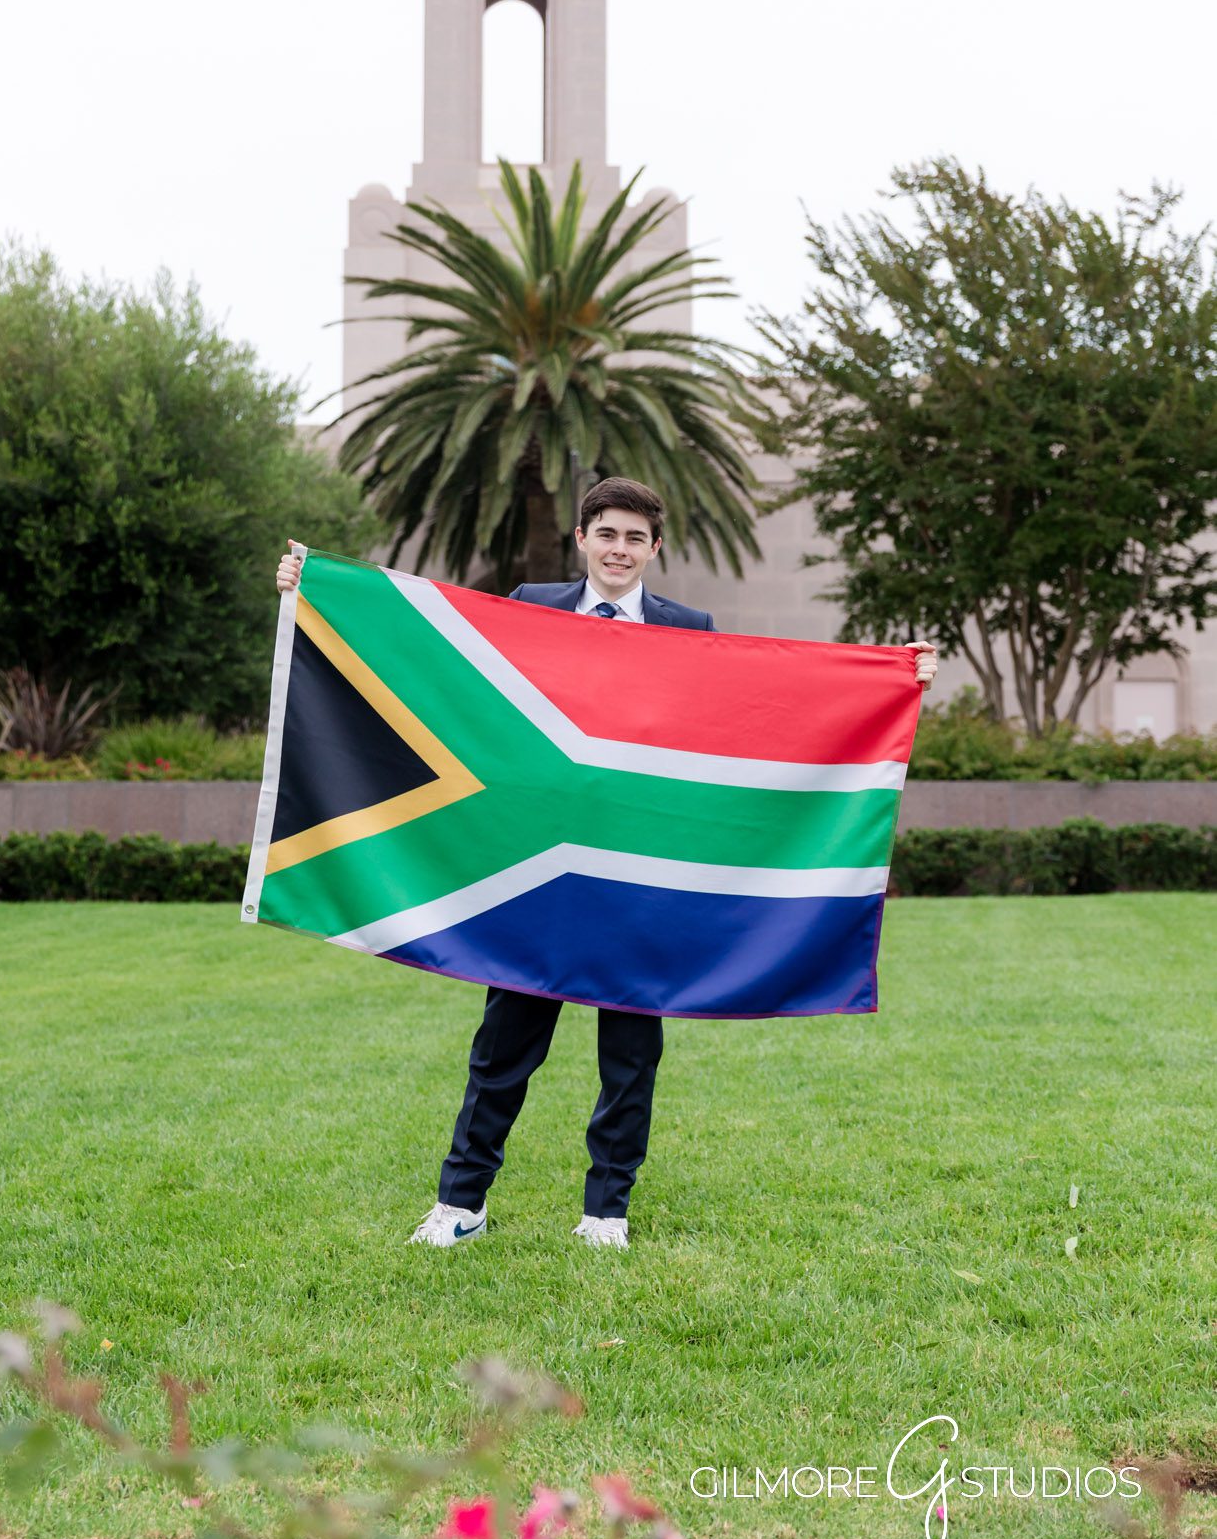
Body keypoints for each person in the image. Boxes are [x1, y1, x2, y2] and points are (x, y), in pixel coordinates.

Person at [275, 475, 938, 1251]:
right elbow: (433, 655)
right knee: (501, 1050)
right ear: (581, 539)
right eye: (606, 534)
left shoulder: (690, 629)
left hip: (636, 881)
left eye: (633, 538)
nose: (618, 549)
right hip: (535, 878)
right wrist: (315, 591)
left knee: (629, 1056)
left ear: (653, 549)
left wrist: (897, 679)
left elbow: (761, 706)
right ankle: (460, 1202)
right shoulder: (529, 606)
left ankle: (606, 1212)